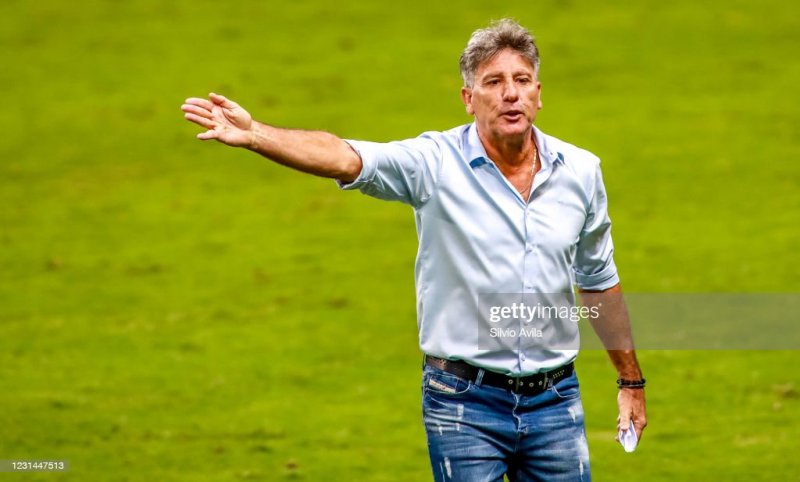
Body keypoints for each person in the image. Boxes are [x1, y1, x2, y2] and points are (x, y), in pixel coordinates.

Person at [181, 18, 646, 482]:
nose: (511, 94)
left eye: (522, 80)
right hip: (464, 402)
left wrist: (630, 381)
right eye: (493, 82)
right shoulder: (434, 164)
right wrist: (257, 134)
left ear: (538, 94)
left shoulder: (581, 172)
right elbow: (344, 156)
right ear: (468, 98)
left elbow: (598, 279)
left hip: (555, 402)